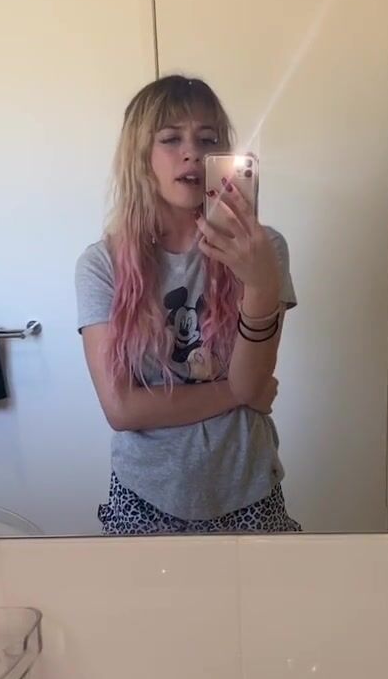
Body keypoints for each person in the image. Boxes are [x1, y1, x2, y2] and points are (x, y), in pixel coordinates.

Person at [75, 74, 300, 534]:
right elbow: (122, 410)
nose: (191, 153)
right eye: (170, 138)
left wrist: (260, 286)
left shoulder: (264, 250)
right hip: (143, 497)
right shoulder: (102, 265)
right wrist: (236, 394)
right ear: (140, 155)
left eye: (207, 139)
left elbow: (251, 378)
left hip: (248, 489)